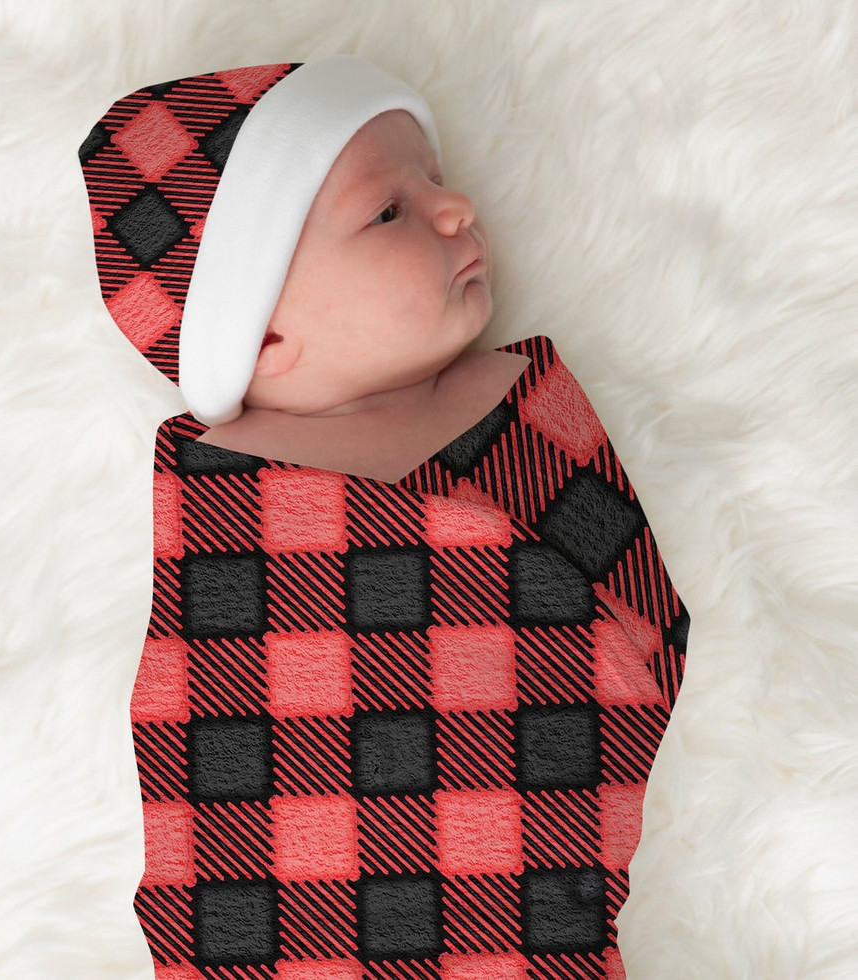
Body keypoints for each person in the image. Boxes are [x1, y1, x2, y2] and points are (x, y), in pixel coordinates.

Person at [80, 54, 688, 979]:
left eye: (435, 179)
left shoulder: (519, 404)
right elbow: (211, 722)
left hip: (524, 902)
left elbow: (635, 629)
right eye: (390, 210)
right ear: (264, 332)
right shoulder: (223, 493)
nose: (458, 208)